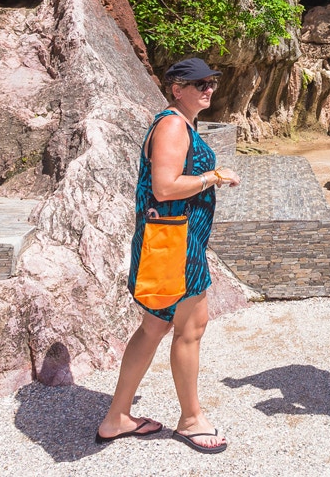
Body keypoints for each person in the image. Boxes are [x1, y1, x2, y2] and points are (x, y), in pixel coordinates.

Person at [98, 58, 241, 452]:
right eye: (198, 84)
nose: (207, 89)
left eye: (210, 82)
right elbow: (164, 187)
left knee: (154, 328)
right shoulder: (174, 124)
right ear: (177, 89)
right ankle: (192, 419)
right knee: (190, 329)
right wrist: (214, 176)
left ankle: (117, 417)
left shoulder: (176, 122)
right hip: (177, 246)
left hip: (169, 241)